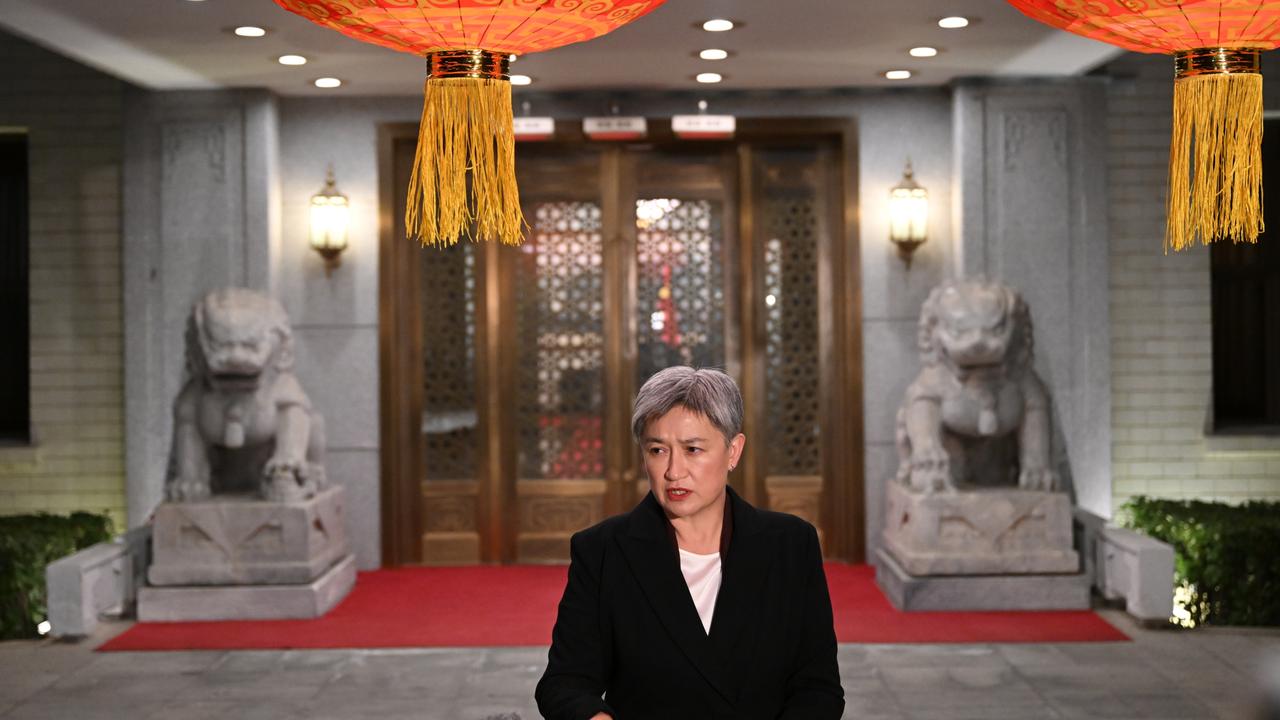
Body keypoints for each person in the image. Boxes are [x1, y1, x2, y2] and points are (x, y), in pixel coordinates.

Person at [535, 366, 844, 720]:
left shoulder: (790, 545)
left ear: (733, 451)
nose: (673, 471)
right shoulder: (603, 551)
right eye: (657, 450)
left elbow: (818, 688)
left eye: (693, 449)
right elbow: (565, 683)